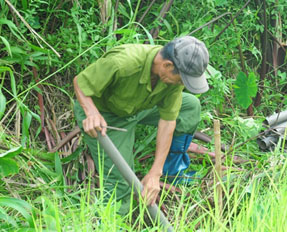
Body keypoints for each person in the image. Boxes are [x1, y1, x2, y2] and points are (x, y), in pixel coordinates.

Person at [73, 36, 209, 214]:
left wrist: (155, 172)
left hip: (139, 107)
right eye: (182, 80)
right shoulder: (123, 63)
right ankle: (113, 229)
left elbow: (168, 121)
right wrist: (91, 113)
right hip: (107, 116)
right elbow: (81, 83)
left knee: (190, 106)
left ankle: (173, 172)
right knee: (121, 179)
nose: (181, 84)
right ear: (167, 65)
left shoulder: (173, 77)